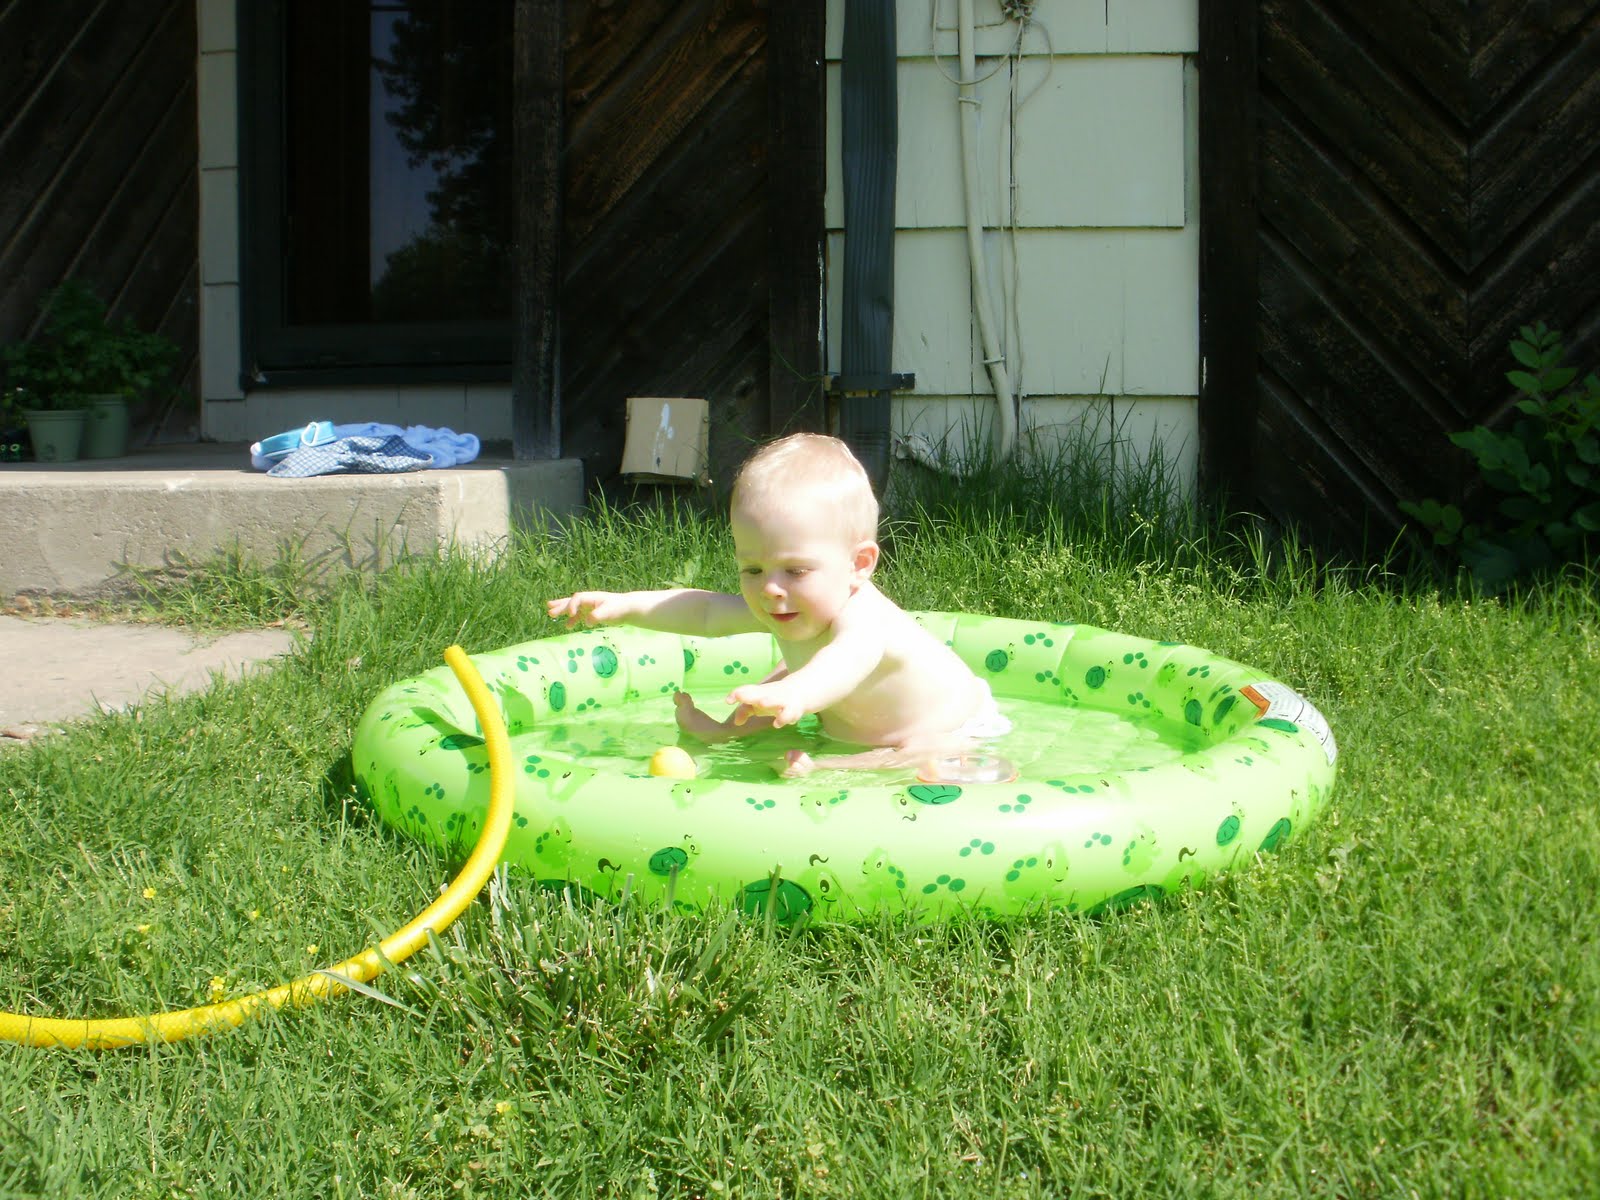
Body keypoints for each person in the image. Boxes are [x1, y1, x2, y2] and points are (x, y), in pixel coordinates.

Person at [546, 433, 1009, 775]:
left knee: (914, 759)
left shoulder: (865, 620)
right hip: (833, 709)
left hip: (947, 730)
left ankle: (831, 769)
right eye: (753, 570)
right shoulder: (787, 600)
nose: (770, 589)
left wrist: (795, 695)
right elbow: (705, 612)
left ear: (859, 564)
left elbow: (840, 666)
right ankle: (732, 732)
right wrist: (623, 605)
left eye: (796, 570)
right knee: (780, 679)